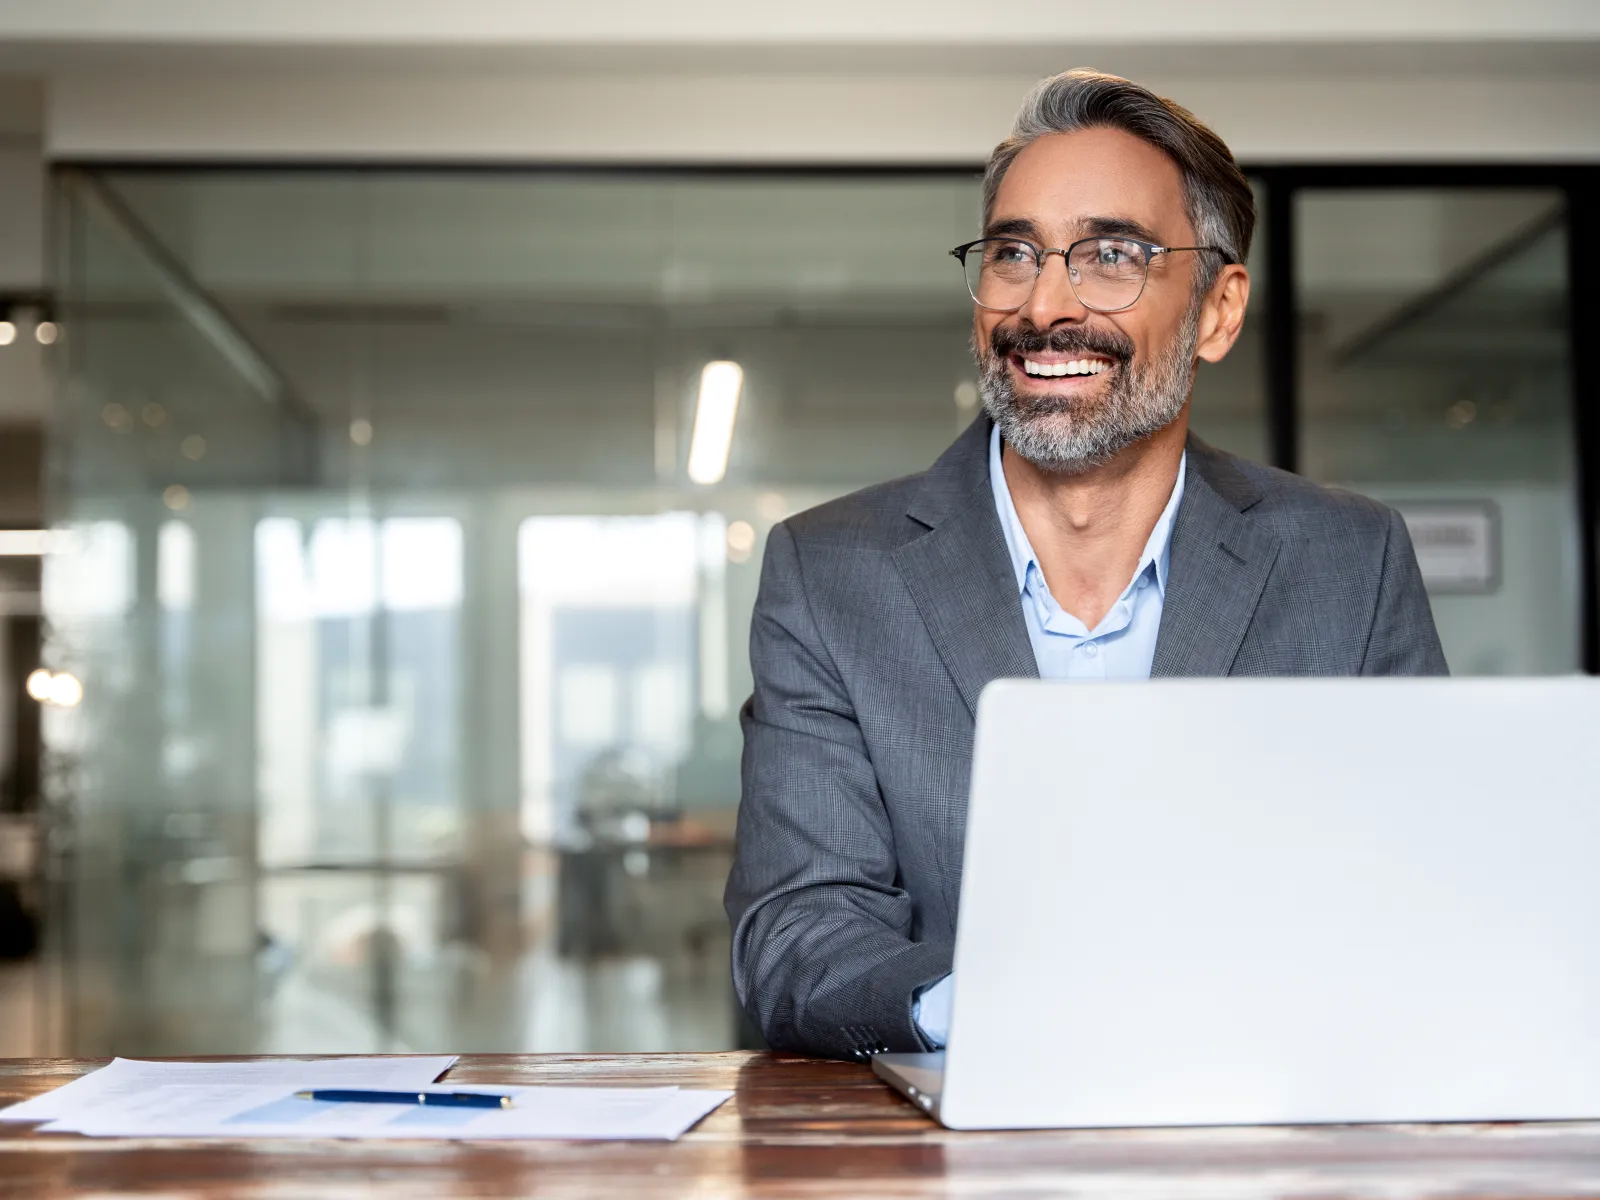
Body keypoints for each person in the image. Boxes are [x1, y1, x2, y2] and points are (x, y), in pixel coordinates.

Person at [724, 69, 1447, 1061]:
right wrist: (996, 1017)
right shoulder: (830, 571)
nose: (1044, 304)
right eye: (1013, 253)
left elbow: (1419, 896)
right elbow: (794, 933)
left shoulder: (1346, 561)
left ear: (1217, 310)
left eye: (1110, 255)